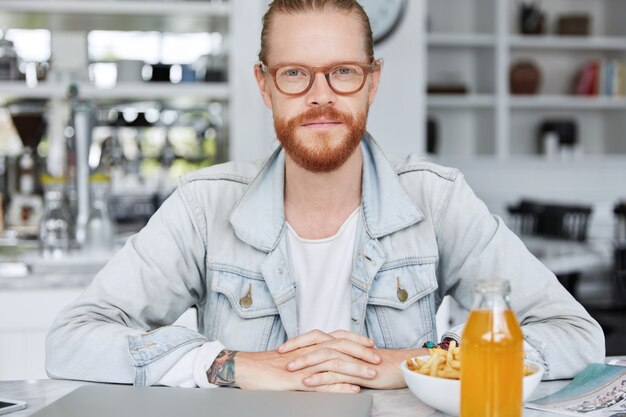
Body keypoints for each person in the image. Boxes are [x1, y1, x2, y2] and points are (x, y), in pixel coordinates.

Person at [46, 0, 604, 393]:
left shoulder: (436, 200)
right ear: (264, 85)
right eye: (294, 74)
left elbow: (578, 338)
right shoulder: (203, 206)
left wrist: (426, 362)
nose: (321, 97)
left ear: (372, 80)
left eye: (342, 72)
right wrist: (227, 365)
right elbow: (72, 341)